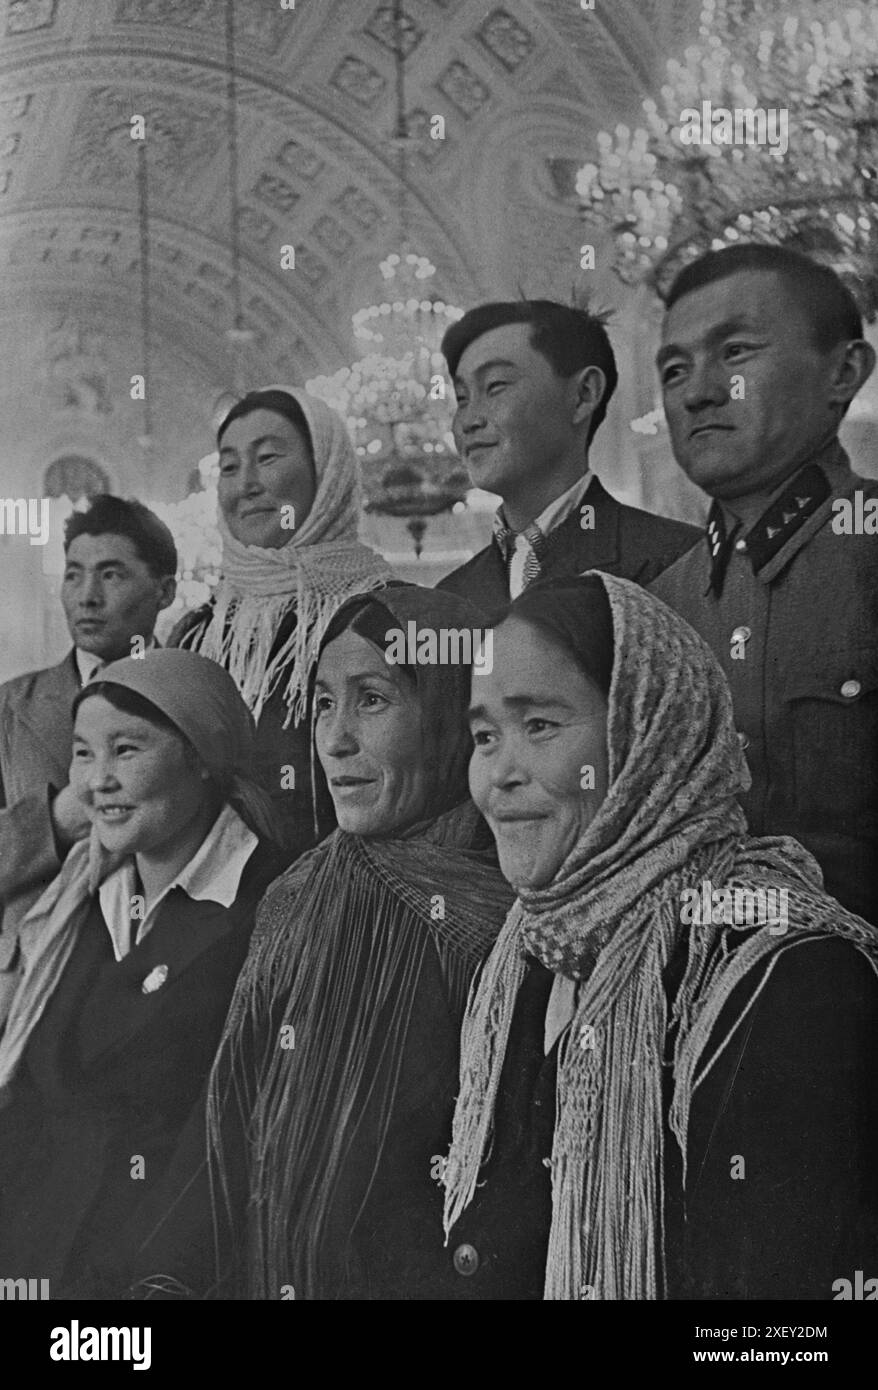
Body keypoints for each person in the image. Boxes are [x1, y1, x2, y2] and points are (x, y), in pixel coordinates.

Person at [437, 573, 878, 1300]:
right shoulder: (530, 948)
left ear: (647, 735)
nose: (498, 776)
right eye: (485, 737)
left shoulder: (786, 976)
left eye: (540, 725)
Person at [115, 584, 513, 1301]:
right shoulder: (298, 897)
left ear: (453, 714)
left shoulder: (512, 924)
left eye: (373, 699)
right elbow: (229, 1129)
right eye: (325, 702)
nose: (334, 739)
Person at [0, 649, 284, 1296]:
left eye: (126, 750)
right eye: (82, 753)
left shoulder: (263, 907)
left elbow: (230, 1150)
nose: (96, 782)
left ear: (201, 758)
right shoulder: (85, 897)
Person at [650, 244, 878, 922]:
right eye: (673, 369)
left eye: (737, 352)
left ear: (844, 372)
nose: (698, 391)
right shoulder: (656, 610)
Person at [172, 386, 393, 867]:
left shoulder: (384, 614)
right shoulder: (196, 633)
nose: (245, 484)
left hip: (350, 903)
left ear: (326, 471)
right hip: (211, 913)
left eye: (267, 458)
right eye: (228, 467)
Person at [0, 495, 177, 1026]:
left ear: (164, 590)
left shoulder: (194, 701)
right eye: (73, 576)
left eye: (112, 575)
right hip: (28, 985)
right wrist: (54, 823)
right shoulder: (10, 709)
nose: (88, 597)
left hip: (158, 978)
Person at [438, 299, 697, 618]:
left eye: (495, 386)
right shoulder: (448, 598)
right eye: (462, 399)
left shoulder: (679, 561)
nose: (468, 421)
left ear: (584, 394)